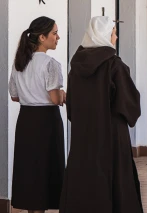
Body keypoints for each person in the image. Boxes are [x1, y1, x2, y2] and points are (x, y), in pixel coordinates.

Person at [59, 16, 143, 213]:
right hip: (112, 134)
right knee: (115, 181)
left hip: (84, 134)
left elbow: (72, 106)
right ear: (105, 36)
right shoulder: (115, 65)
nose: (115, 37)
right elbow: (129, 104)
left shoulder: (76, 68)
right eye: (113, 33)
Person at [8, 16, 66, 213]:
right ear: (42, 37)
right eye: (55, 33)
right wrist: (63, 94)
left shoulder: (19, 62)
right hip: (47, 121)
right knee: (47, 166)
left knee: (30, 167)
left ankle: (32, 210)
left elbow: (14, 96)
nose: (58, 37)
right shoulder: (51, 64)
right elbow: (55, 99)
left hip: (26, 121)